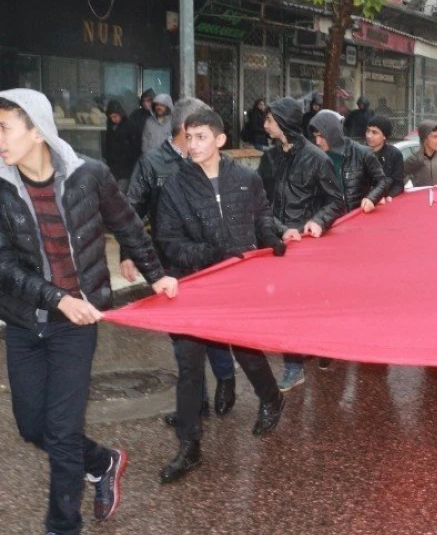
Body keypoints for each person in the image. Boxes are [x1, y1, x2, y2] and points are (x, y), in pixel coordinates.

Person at [0, 88, 178, 534]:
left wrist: (156, 274)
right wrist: (56, 297)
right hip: (25, 321)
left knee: (61, 433)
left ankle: (63, 526)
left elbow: (127, 225)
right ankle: (103, 462)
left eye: (4, 128)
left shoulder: (88, 175)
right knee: (31, 427)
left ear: (36, 131)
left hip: (77, 325)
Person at [154, 107, 295, 484]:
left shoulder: (246, 179)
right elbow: (168, 242)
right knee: (188, 364)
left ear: (219, 140)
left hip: (238, 284)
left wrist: (273, 237)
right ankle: (189, 446)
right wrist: (212, 255)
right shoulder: (175, 186)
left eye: (201, 137)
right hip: (194, 286)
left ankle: (271, 397)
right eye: (188, 137)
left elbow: (261, 216)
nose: (192, 144)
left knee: (247, 351)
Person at [126, 98, 238, 425]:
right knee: (183, 341)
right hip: (172, 267)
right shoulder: (152, 164)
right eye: (195, 132)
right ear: (183, 128)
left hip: (210, 264)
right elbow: (132, 210)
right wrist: (128, 253)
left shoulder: (215, 162)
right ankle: (195, 403)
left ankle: (226, 379)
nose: (197, 141)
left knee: (214, 331)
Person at [259, 97, 344, 390]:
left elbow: (336, 201)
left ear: (283, 123)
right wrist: (276, 229)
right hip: (277, 242)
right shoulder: (268, 158)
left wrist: (318, 221)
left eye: (269, 120)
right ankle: (294, 365)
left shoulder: (317, 159)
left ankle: (320, 345)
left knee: (307, 306)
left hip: (307, 247)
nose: (264, 125)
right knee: (285, 309)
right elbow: (260, 203)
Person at [309, 110, 387, 213]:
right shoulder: (315, 156)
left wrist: (371, 198)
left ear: (333, 133)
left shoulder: (362, 153)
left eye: (322, 136)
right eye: (315, 136)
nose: (317, 141)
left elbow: (382, 181)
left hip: (356, 217)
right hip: (327, 219)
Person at [101, 99, 141, 194]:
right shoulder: (110, 126)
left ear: (120, 114)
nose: (113, 119)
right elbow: (108, 144)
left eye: (115, 116)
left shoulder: (130, 126)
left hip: (126, 168)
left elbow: (136, 148)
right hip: (113, 167)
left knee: (120, 193)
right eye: (111, 117)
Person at [365, 115, 404, 198]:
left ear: (384, 136)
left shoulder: (395, 154)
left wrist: (389, 197)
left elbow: (398, 184)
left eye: (374, 132)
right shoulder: (359, 153)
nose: (369, 135)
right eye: (368, 131)